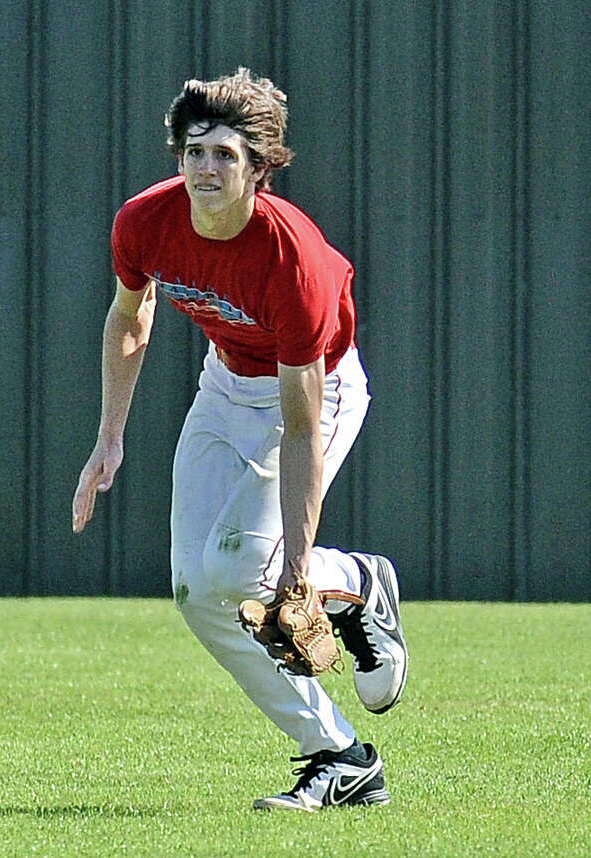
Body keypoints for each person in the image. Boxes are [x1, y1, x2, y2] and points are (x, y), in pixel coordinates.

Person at [71, 68, 408, 812]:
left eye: (226, 154)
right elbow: (131, 316)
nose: (205, 168)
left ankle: (352, 584)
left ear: (260, 168)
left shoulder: (294, 263)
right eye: (195, 151)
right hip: (224, 385)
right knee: (197, 592)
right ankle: (341, 756)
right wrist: (110, 436)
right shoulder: (144, 222)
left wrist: (296, 567)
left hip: (315, 391)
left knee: (242, 572)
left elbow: (298, 424)